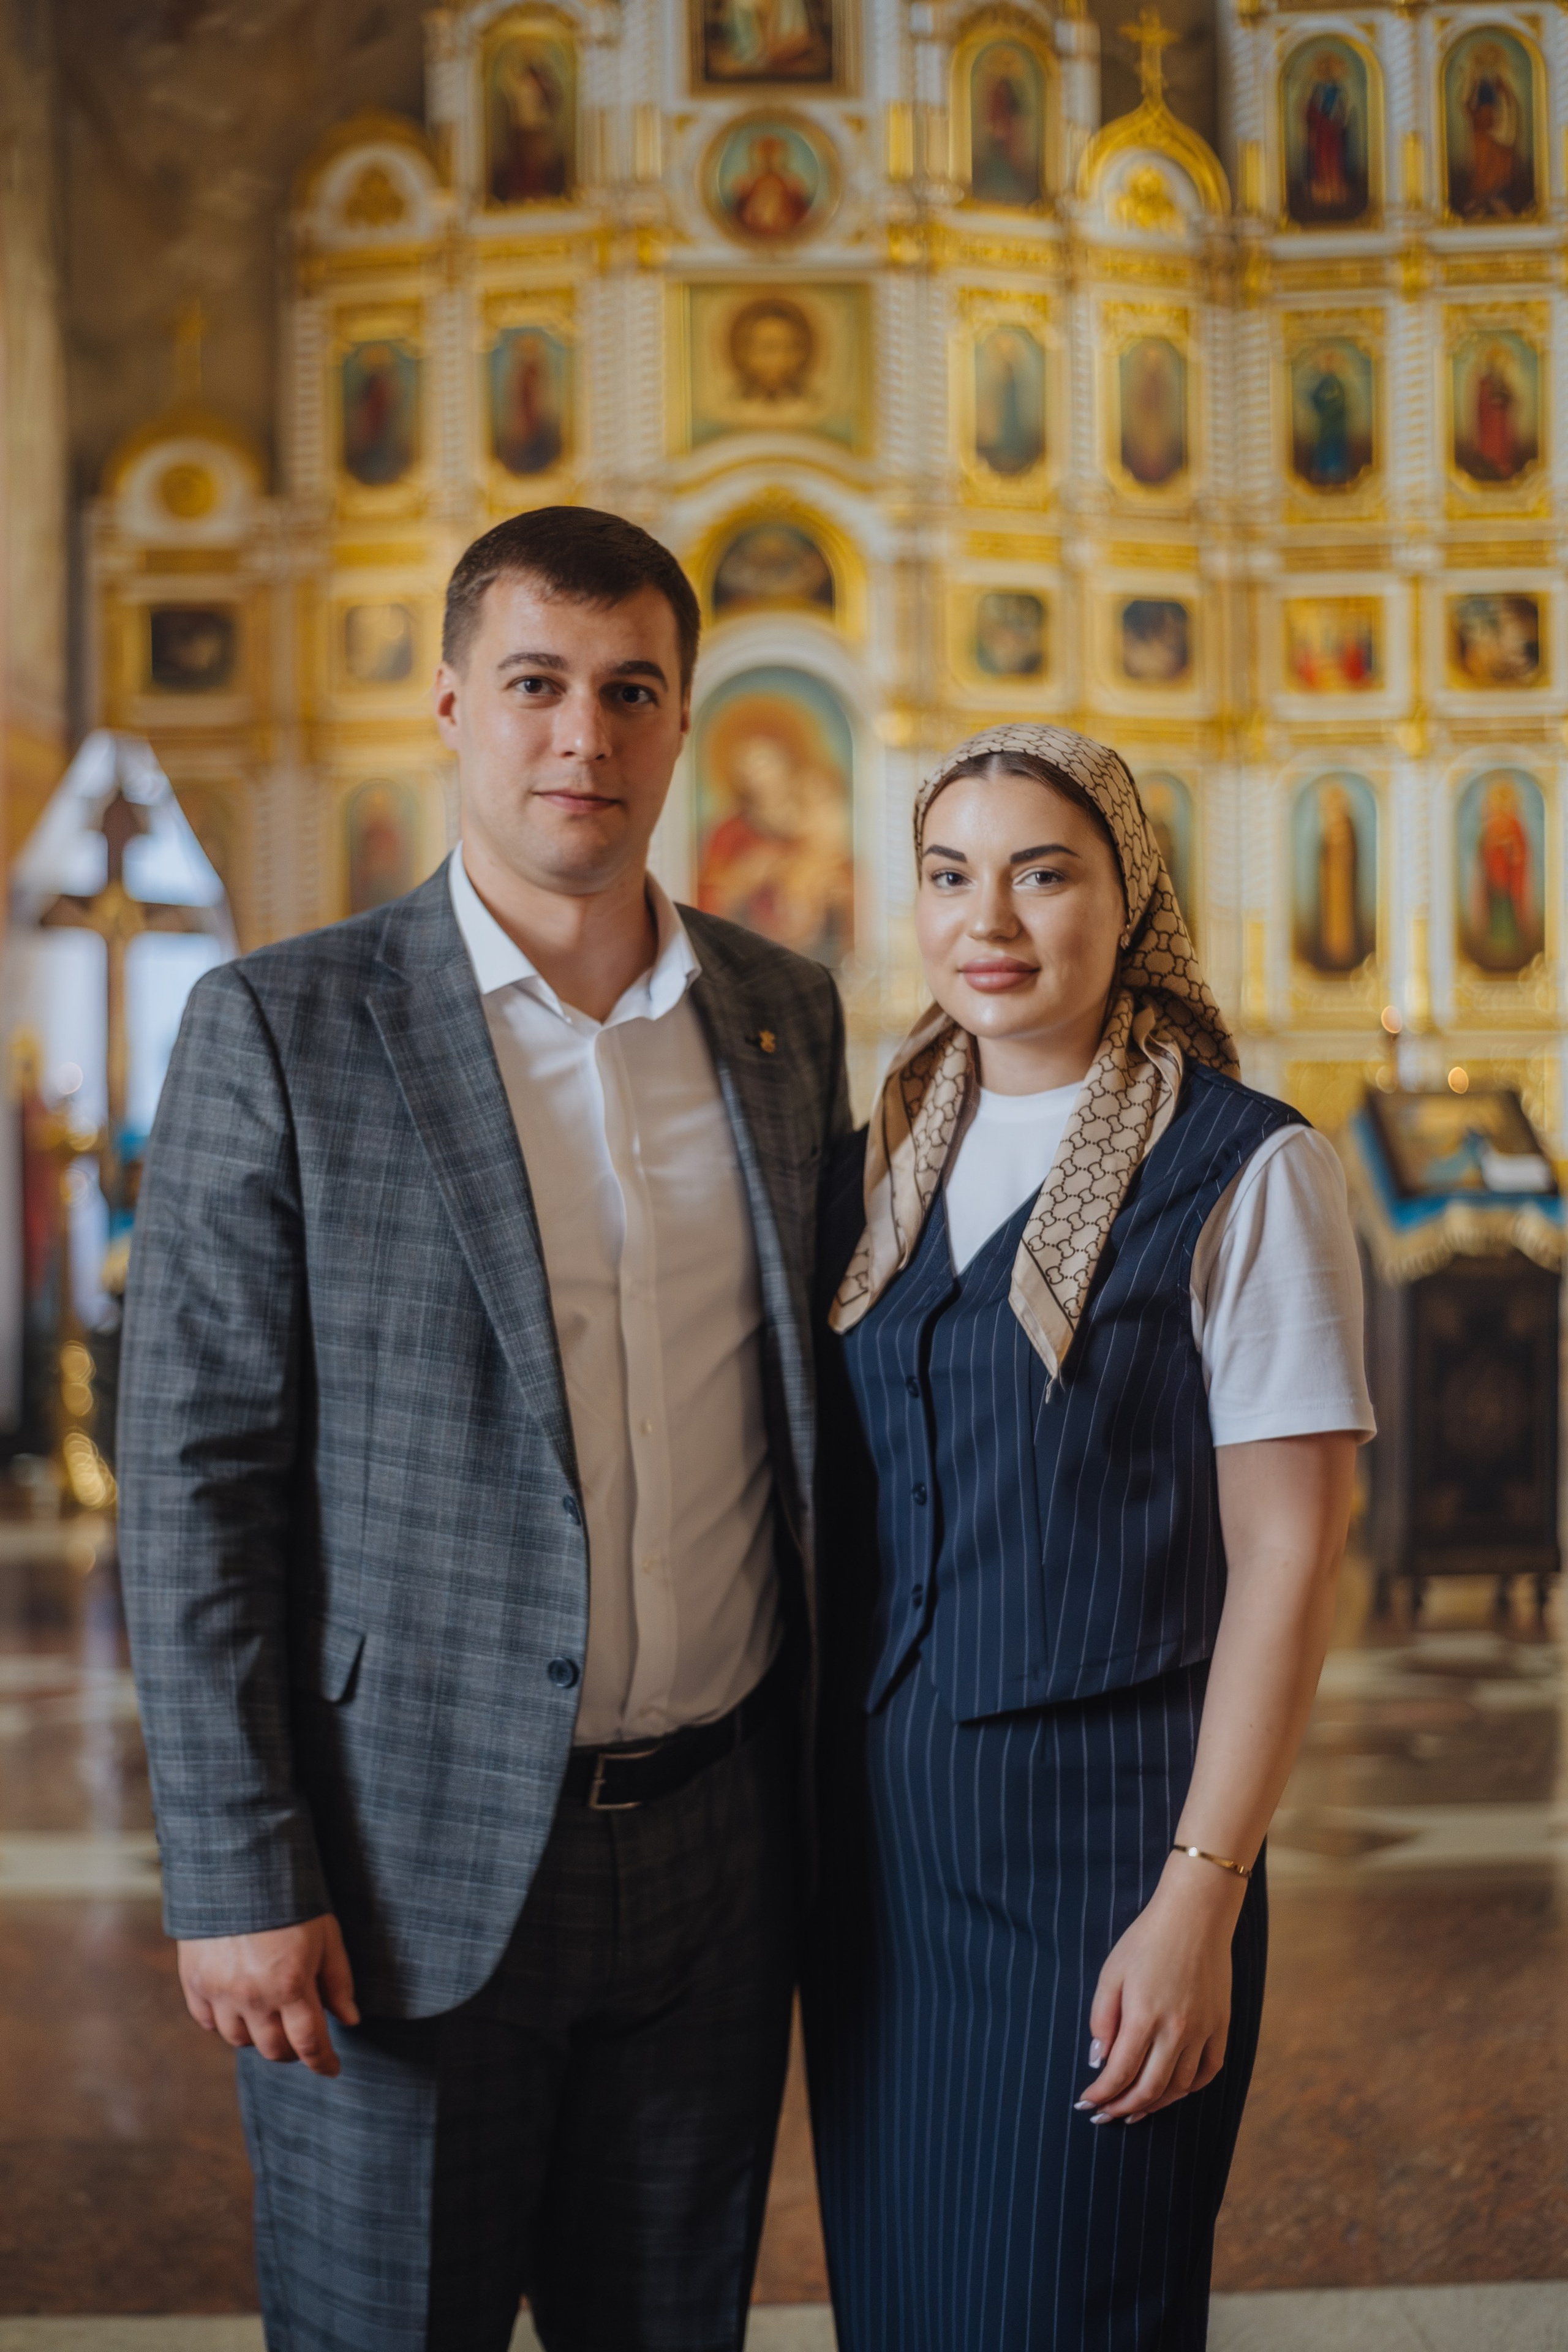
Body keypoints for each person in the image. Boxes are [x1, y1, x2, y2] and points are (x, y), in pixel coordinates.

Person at [117, 504, 851, 2352]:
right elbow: (194, 1484)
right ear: (451, 706)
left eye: (631, 691)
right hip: (398, 1872)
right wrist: (237, 1871)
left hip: (716, 1866)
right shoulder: (281, 1027)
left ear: (683, 721)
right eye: (536, 685)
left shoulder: (785, 1020)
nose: (582, 738)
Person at [805, 722, 1372, 2351]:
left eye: (1043, 874)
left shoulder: (1248, 1166)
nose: (988, 918)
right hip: (884, 1864)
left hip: (1108, 1856)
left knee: (1071, 2307)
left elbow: (1291, 1554)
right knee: (907, 2314)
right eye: (950, 874)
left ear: (1130, 902)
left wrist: (1202, 1896)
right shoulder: (877, 1165)